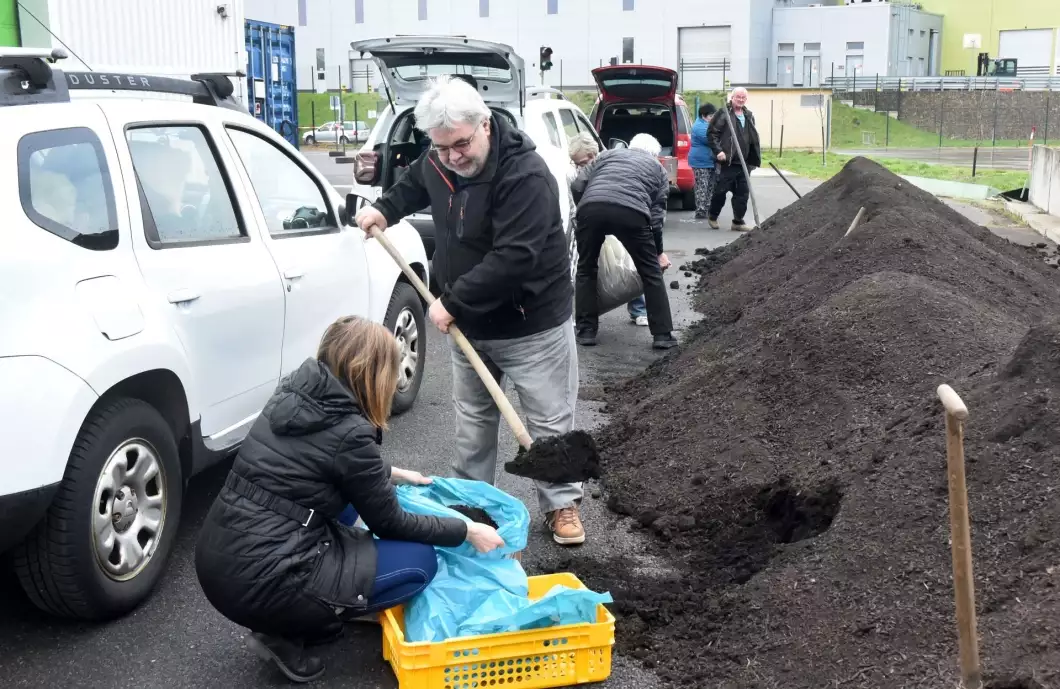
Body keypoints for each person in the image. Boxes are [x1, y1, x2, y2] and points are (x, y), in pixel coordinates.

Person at [195, 316, 505, 683]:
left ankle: (300, 607)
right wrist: (467, 531)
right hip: (263, 583)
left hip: (220, 559)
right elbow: (391, 522)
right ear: (372, 373)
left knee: (351, 504)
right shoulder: (350, 432)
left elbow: (320, 462)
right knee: (421, 563)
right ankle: (289, 629)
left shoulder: (296, 395)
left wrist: (394, 473)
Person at [354, 75, 588, 546]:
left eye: (461, 145)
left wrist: (452, 301)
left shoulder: (525, 175)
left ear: (485, 125)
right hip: (470, 324)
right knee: (474, 420)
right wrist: (384, 209)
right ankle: (474, 502)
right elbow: (415, 183)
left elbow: (515, 258)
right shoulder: (440, 162)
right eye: (442, 148)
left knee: (548, 419)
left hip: (531, 325)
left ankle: (561, 503)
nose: (453, 157)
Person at [570, 133, 678, 350]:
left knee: (586, 268)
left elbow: (578, 184)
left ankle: (586, 332)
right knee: (650, 273)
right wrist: (658, 252)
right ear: (654, 155)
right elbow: (657, 218)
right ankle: (662, 335)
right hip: (632, 213)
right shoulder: (658, 169)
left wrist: (586, 208)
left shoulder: (607, 155)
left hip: (591, 210)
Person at [567, 132, 647, 327]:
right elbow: (573, 200)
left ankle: (639, 309)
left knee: (629, 261)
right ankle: (586, 315)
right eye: (576, 163)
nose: (579, 167)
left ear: (595, 155)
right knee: (588, 267)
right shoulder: (575, 174)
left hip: (618, 219)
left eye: (583, 162)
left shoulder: (610, 167)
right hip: (590, 223)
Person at [707, 87, 762, 231]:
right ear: (732, 97)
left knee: (742, 193)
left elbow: (752, 137)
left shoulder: (748, 115)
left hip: (744, 163)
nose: (741, 99)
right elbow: (712, 134)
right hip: (728, 161)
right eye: (738, 97)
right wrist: (718, 151)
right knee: (720, 191)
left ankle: (737, 221)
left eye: (743, 97)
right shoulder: (723, 113)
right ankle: (713, 216)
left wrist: (753, 157)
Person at [689, 102, 718, 220]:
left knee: (710, 186)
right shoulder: (699, 126)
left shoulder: (708, 125)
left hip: (710, 161)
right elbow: (710, 140)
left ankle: (707, 208)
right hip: (700, 161)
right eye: (711, 116)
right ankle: (701, 211)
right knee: (702, 186)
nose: (712, 119)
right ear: (703, 116)